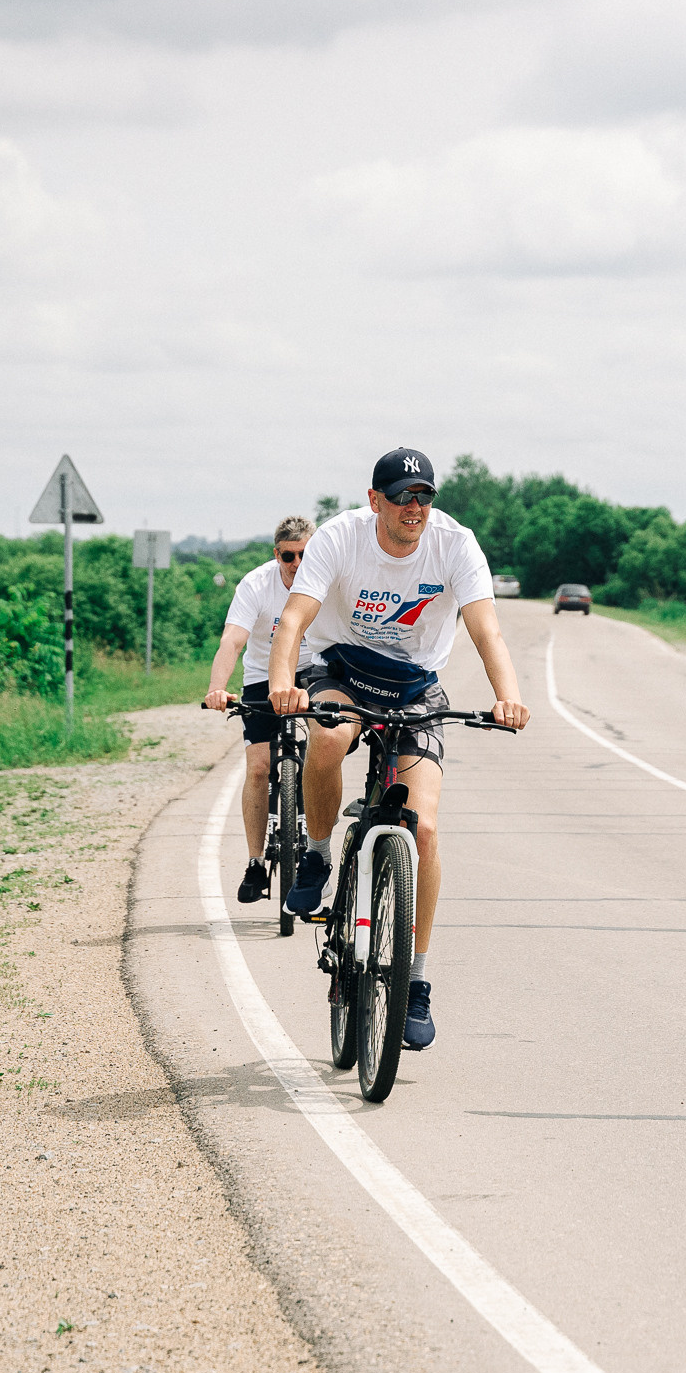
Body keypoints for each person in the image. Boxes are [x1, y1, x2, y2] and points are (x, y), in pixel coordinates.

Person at [267, 448, 529, 1051]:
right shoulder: (340, 537)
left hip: (415, 684)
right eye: (403, 496)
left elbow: (486, 628)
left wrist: (507, 697)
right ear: (374, 500)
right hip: (342, 666)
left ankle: (414, 981)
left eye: (424, 497)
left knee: (426, 828)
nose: (415, 508)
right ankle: (315, 852)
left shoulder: (455, 545)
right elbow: (294, 618)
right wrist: (283, 682)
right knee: (329, 735)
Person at [204, 515, 316, 903]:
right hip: (263, 677)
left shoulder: (328, 581)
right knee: (257, 767)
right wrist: (217, 688)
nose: (297, 564)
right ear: (277, 554)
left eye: (305, 554)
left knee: (324, 756)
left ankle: (316, 847)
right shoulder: (256, 584)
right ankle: (255, 862)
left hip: (314, 673)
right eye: (289, 556)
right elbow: (232, 641)